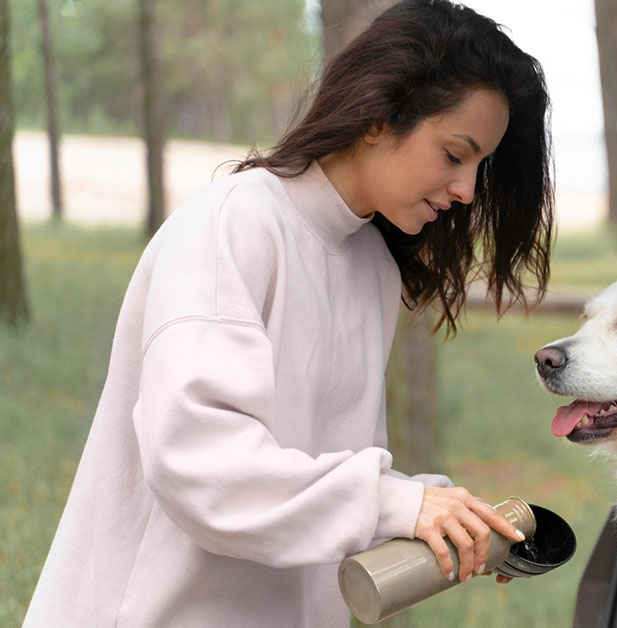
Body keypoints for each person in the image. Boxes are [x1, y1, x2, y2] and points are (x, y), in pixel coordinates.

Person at [21, 1, 554, 626]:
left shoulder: (371, 268)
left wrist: (445, 517)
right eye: (454, 154)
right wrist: (394, 503)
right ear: (379, 117)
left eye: (480, 166)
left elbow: (320, 482)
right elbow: (200, 462)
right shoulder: (236, 225)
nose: (467, 191)